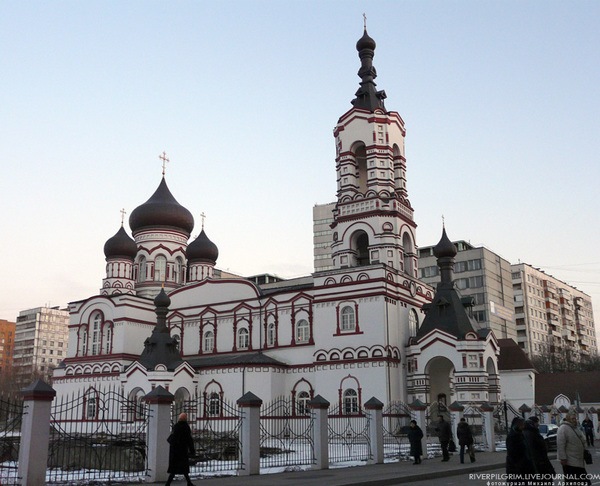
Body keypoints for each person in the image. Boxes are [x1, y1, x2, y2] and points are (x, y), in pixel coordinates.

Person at [557, 412, 591, 486]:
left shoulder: (575, 428)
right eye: (573, 419)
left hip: (578, 460)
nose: (575, 420)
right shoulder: (563, 428)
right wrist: (563, 458)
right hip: (570, 462)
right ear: (568, 419)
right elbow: (560, 444)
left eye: (575, 418)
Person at [522, 416, 555, 484]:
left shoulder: (532, 432)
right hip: (539, 464)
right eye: (537, 422)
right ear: (532, 423)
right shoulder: (531, 434)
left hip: (540, 463)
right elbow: (533, 452)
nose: (538, 424)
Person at [166, 412, 196, 486]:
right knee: (184, 468)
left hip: (174, 451)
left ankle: (188, 482)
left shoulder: (176, 426)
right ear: (185, 419)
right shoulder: (185, 427)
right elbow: (189, 439)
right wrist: (192, 450)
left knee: (174, 469)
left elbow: (172, 438)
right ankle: (168, 484)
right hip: (182, 450)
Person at [506, 417, 535, 485]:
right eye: (521, 424)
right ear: (516, 425)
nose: (523, 426)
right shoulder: (512, 436)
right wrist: (520, 465)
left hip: (523, 468)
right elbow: (513, 454)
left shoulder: (521, 435)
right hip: (516, 469)